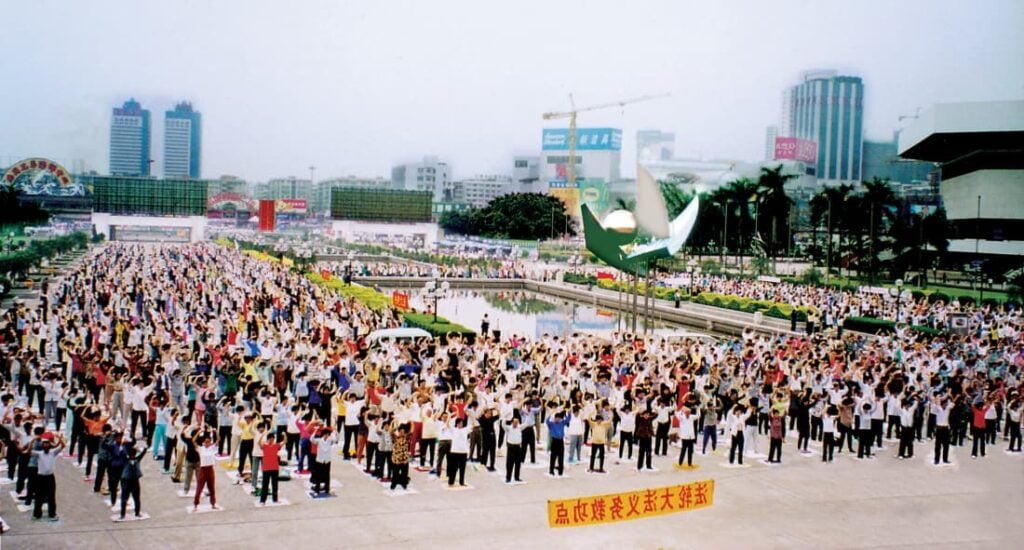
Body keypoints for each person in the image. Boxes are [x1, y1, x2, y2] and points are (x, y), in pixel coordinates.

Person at [32, 431, 65, 521]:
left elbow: (62, 446)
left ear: (49, 445)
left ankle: (52, 513)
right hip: (41, 477)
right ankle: (37, 513)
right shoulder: (39, 454)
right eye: (44, 444)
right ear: (42, 446)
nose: (46, 446)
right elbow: (28, 451)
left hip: (50, 477)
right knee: (39, 496)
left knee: (51, 496)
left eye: (47, 444)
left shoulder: (52, 452)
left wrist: (59, 438)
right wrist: (32, 441)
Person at [119, 439, 147, 520]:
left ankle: (137, 512)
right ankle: (122, 514)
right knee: (124, 498)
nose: (133, 456)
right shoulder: (126, 460)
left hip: (134, 480)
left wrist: (144, 445)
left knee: (136, 498)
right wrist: (123, 445)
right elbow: (122, 453)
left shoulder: (136, 459)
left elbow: (143, 453)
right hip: (127, 481)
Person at [193, 433, 221, 511]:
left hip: (210, 469)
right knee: (199, 488)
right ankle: (195, 504)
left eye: (208, 442)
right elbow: (193, 441)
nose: (207, 444)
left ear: (210, 442)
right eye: (205, 442)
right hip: (203, 470)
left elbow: (218, 440)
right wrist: (198, 433)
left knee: (212, 488)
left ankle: (213, 504)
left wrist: (216, 431)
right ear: (203, 443)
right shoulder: (201, 449)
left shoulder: (212, 448)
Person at [259, 432, 283, 505]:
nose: (271, 440)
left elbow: (284, 442)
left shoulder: (276, 446)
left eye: (273, 439)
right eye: (270, 439)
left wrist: (284, 435)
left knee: (275, 485)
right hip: (266, 468)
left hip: (275, 468)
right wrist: (262, 436)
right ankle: (263, 500)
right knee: (265, 485)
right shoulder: (265, 446)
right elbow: (259, 443)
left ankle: (275, 499)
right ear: (268, 439)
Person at [545, 409, 569, 476]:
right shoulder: (552, 424)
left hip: (561, 441)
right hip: (554, 441)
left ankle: (560, 471)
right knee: (553, 457)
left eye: (559, 418)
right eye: (557, 418)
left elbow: (568, 420)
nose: (558, 420)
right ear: (555, 418)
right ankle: (551, 470)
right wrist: (550, 414)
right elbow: (546, 421)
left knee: (561, 457)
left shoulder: (562, 423)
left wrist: (568, 413)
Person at [447, 417, 470, 487]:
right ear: (457, 424)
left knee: (462, 468)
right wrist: (451, 415)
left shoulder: (465, 430)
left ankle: (461, 482)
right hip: (455, 451)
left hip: (463, 452)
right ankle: (451, 482)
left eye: (462, 423)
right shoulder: (454, 429)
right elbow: (447, 424)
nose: (461, 424)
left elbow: (473, 424)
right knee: (454, 468)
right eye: (460, 423)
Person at [503, 416, 524, 483]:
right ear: (512, 422)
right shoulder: (509, 428)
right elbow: (503, 425)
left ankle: (517, 477)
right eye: (514, 422)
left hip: (518, 447)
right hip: (511, 447)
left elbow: (527, 423)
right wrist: (504, 417)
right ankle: (508, 477)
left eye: (517, 422)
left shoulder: (520, 428)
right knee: (509, 463)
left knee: (518, 463)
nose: (516, 423)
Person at [389, 423, 410, 491]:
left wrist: (411, 423)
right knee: (395, 473)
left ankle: (404, 484)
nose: (402, 433)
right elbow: (391, 432)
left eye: (403, 432)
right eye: (401, 432)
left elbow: (411, 432)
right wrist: (396, 426)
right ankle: (393, 484)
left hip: (404, 459)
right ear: (399, 432)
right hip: (397, 459)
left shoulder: (406, 438)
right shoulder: (395, 438)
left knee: (404, 473)